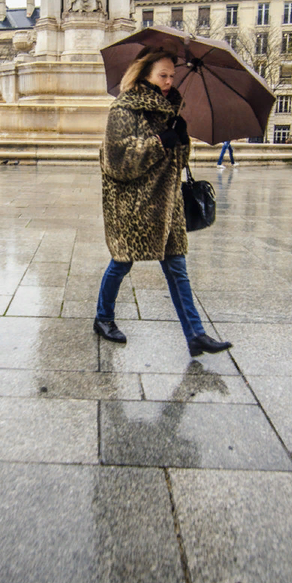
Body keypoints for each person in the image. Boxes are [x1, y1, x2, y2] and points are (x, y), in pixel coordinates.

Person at [95, 48, 232, 357]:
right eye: (163, 75)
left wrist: (181, 139)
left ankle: (196, 335)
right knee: (121, 263)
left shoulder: (172, 110)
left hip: (167, 207)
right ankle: (103, 318)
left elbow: (178, 163)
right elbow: (117, 162)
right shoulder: (124, 109)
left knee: (177, 268)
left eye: (172, 75)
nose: (169, 81)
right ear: (145, 74)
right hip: (133, 206)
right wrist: (158, 142)